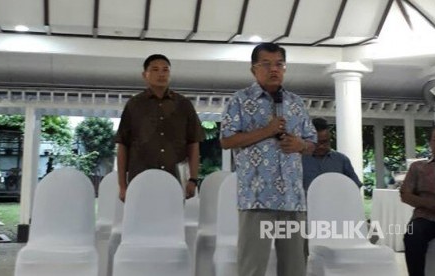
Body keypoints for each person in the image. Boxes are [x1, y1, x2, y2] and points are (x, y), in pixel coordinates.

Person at [220, 42, 317, 276]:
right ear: (254, 69)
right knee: (252, 268)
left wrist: (300, 145)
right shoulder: (240, 100)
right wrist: (267, 130)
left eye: (279, 64)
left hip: (292, 199)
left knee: (295, 267)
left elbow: (312, 143)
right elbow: (226, 141)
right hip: (256, 199)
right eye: (266, 64)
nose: (274, 69)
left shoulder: (296, 102)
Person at [115, 54, 204, 201]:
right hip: (140, 178)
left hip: (174, 178)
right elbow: (123, 145)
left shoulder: (183, 104)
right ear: (145, 75)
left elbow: (193, 143)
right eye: (155, 69)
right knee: (140, 221)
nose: (161, 74)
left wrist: (193, 179)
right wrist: (122, 185)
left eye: (165, 70)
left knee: (172, 221)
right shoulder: (134, 105)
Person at [401, 125, 435, 276]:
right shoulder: (418, 167)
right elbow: (405, 194)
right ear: (430, 143)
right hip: (424, 217)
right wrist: (428, 204)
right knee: (412, 234)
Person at [302, 117, 362, 193]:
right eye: (317, 143)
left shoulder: (342, 160)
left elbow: (355, 186)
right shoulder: (299, 161)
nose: (321, 146)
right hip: (308, 204)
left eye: (325, 142)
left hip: (337, 203)